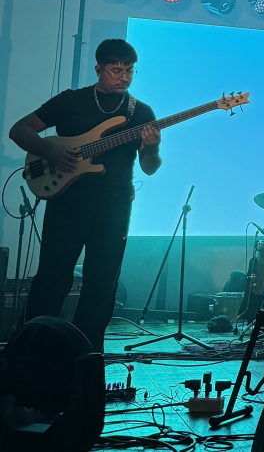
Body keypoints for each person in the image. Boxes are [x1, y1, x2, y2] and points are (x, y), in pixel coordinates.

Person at [9, 39, 161, 352]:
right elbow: (20, 130)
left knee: (101, 285)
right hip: (67, 204)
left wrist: (153, 148)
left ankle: (85, 355)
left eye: (129, 71)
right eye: (116, 70)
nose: (124, 77)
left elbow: (149, 168)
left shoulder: (141, 112)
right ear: (99, 69)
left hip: (114, 209)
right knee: (52, 278)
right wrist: (48, 148)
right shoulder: (70, 102)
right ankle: (30, 352)